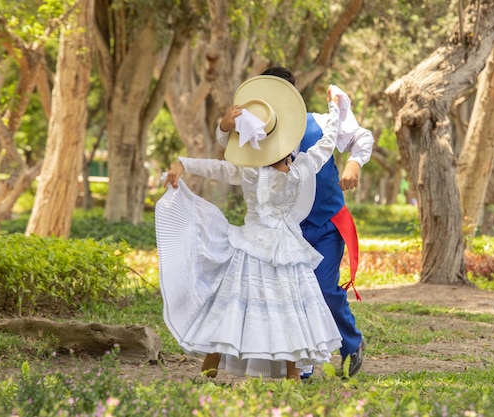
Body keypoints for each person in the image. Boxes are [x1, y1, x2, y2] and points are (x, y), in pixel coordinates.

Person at [156, 75, 343, 381]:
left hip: (282, 248)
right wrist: (184, 164)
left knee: (284, 307)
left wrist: (335, 111)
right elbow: (218, 166)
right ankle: (216, 364)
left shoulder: (299, 167)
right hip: (255, 247)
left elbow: (327, 143)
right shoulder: (265, 171)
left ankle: (290, 373)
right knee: (240, 306)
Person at [215, 67, 373, 378]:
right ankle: (302, 364)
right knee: (291, 294)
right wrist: (223, 126)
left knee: (325, 289)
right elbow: (229, 144)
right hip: (285, 232)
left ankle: (352, 341)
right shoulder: (258, 132)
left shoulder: (320, 122)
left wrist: (354, 163)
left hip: (326, 223)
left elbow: (360, 136)